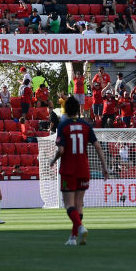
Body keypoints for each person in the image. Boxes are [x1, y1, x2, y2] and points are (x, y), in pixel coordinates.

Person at [48, 96, 109, 246]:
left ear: (66, 110)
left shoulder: (63, 126)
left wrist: (53, 160)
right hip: (83, 168)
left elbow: (61, 150)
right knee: (79, 204)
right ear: (78, 109)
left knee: (69, 204)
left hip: (69, 169)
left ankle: (80, 228)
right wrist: (104, 166)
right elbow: (98, 146)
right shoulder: (86, 126)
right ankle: (73, 238)